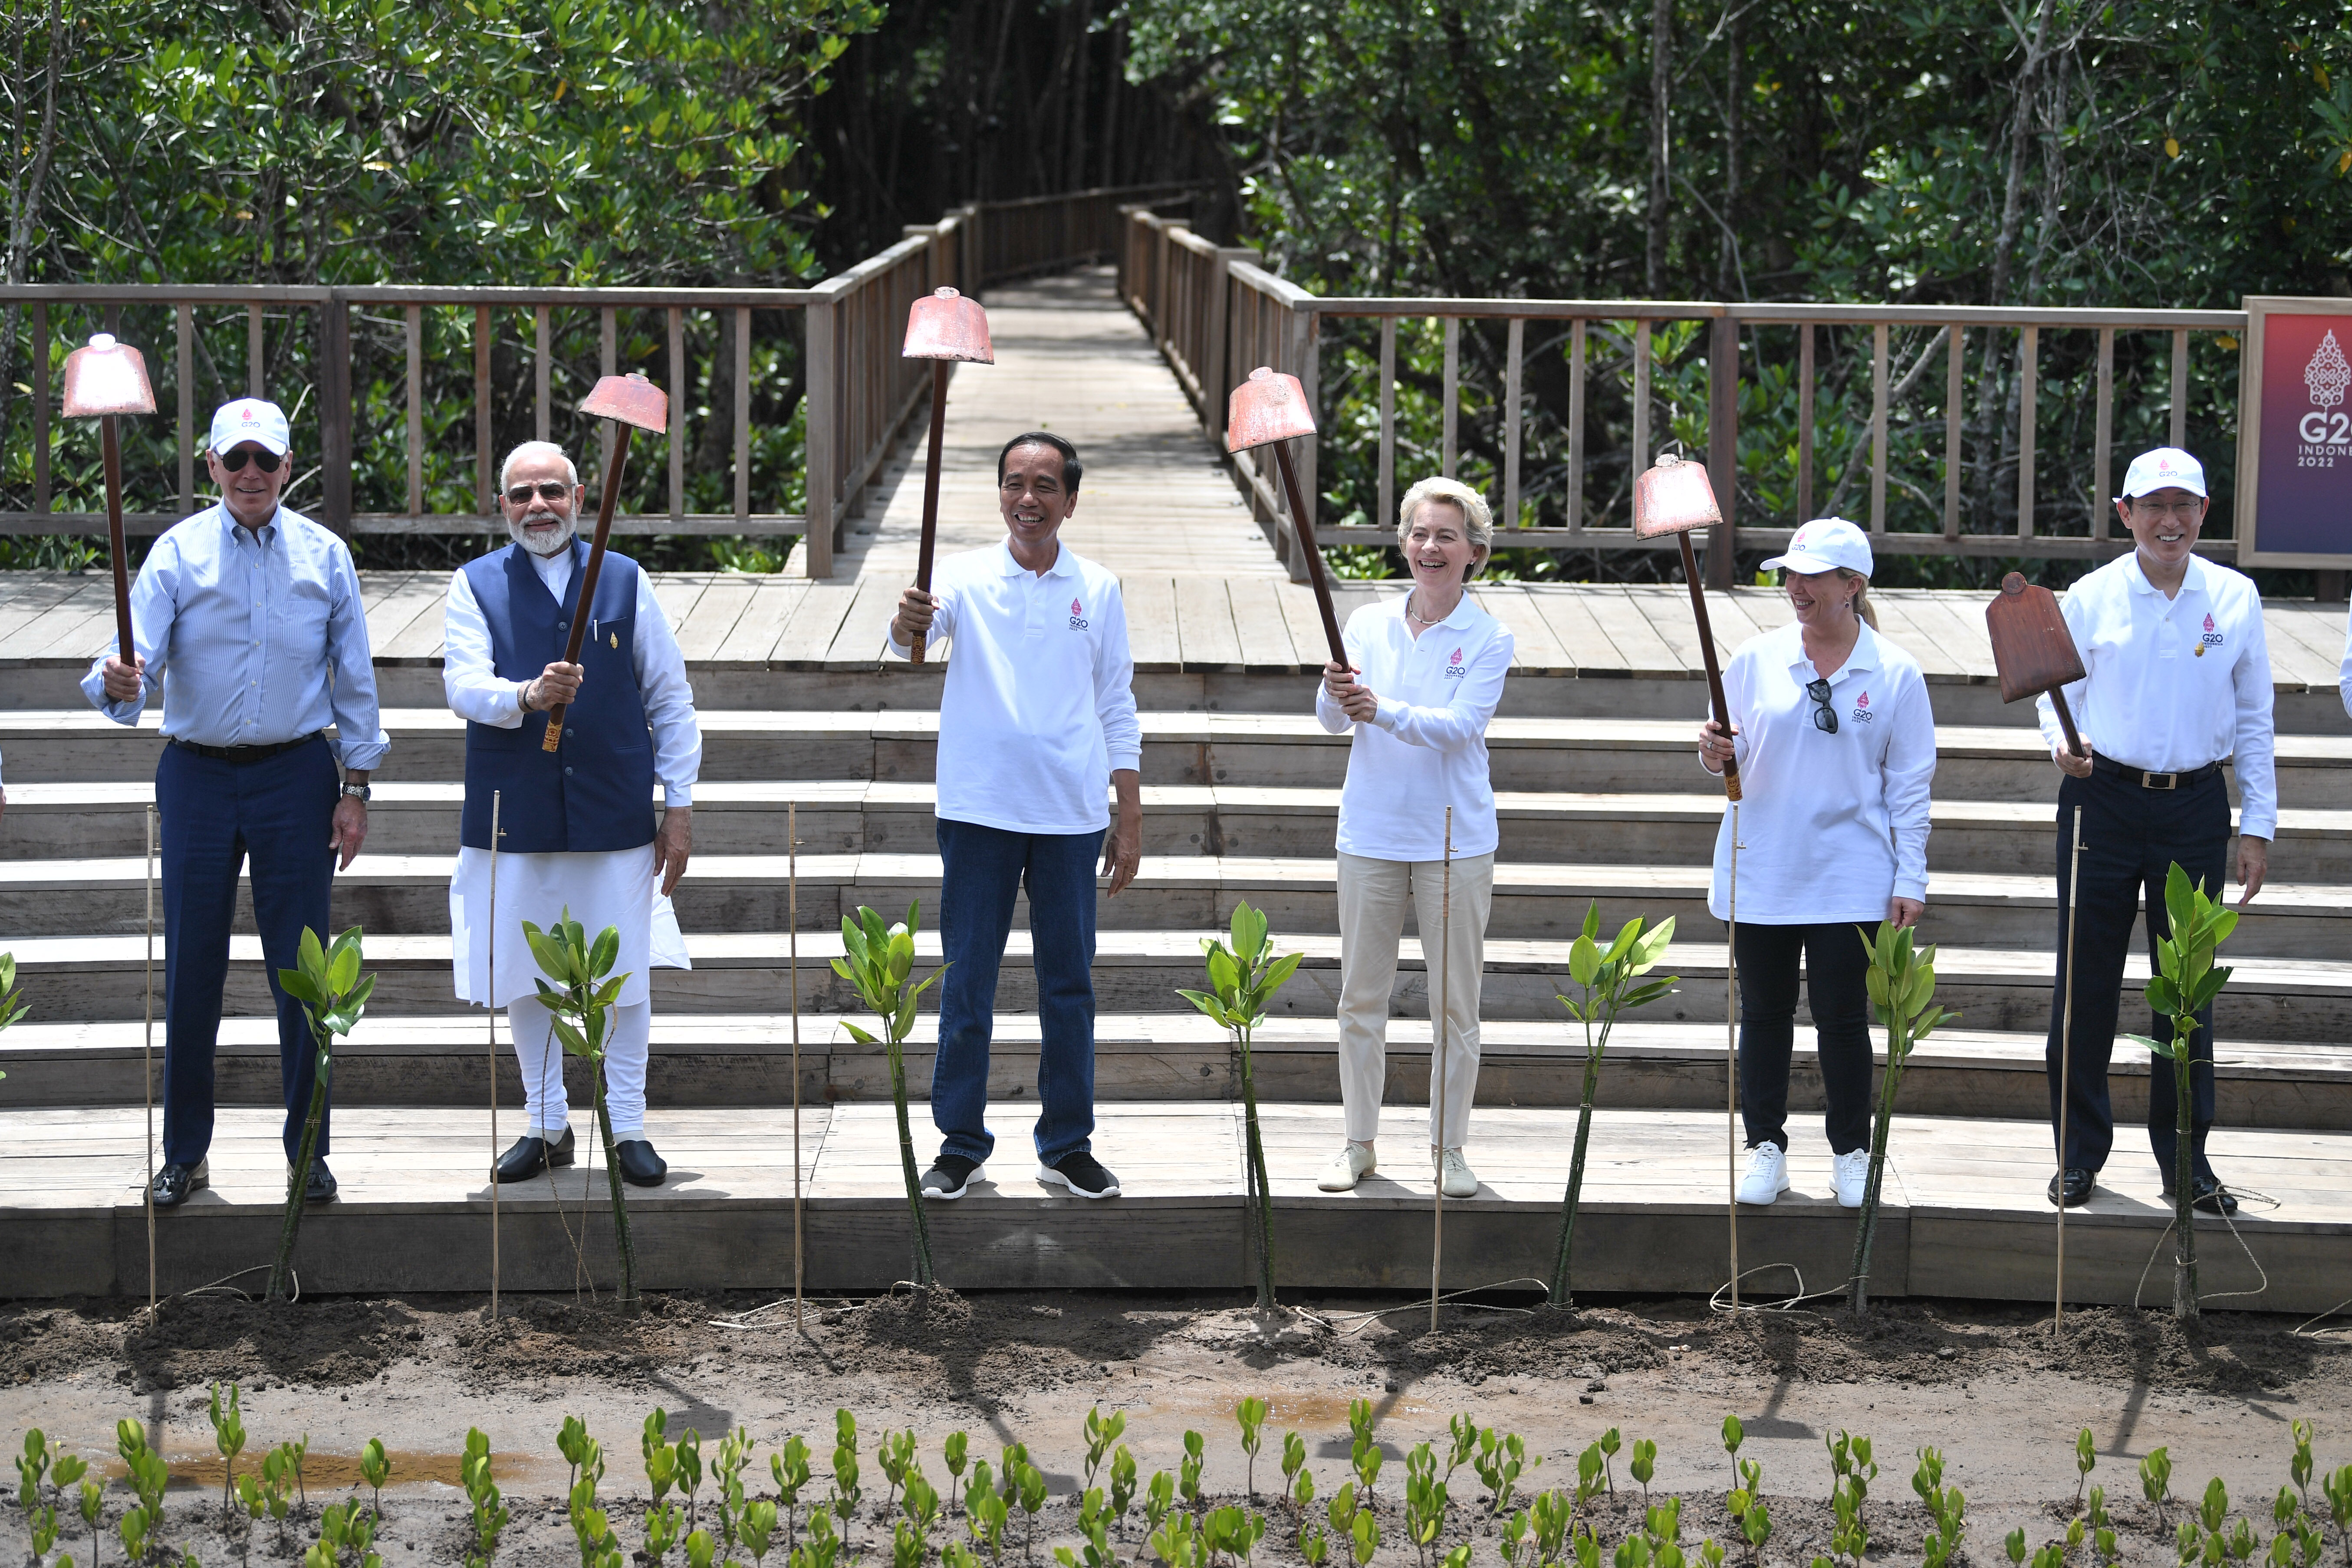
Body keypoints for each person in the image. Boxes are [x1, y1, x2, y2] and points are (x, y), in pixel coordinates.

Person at [83, 397, 386, 1207]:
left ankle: (308, 1151)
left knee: (305, 972)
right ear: (212, 465)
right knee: (192, 968)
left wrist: (356, 787)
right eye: (236, 458)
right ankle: (186, 1151)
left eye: (266, 459)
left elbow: (355, 680)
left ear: (288, 467)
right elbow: (131, 663)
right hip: (198, 776)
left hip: (297, 775)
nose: (251, 473)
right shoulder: (176, 553)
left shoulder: (325, 555)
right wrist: (119, 680)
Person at [889, 431, 1141, 1202]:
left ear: (1071, 499)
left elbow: (1117, 701)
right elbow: (910, 644)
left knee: (1069, 986)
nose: (1027, 499)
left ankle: (1066, 1143)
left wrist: (1129, 813)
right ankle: (960, 1144)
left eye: (1044, 486)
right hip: (980, 808)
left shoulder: (1098, 587)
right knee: (968, 982)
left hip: (1070, 813)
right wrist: (907, 619)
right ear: (999, 493)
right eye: (1014, 484)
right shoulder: (961, 576)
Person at [445, 440, 701, 1187]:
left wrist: (678, 806)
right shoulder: (475, 584)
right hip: (513, 811)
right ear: (502, 505)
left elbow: (670, 696)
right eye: (522, 493)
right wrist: (526, 695)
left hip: (612, 807)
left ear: (580, 498)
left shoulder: (623, 579)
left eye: (552, 491)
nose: (538, 506)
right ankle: (546, 1122)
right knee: (523, 970)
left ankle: (628, 1125)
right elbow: (463, 686)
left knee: (623, 972)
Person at [2040, 447, 2272, 1215]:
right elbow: (2053, 693)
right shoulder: (2091, 595)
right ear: (2125, 513)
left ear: (2205, 512)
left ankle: (2186, 1160)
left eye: (2183, 506)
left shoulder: (2235, 596)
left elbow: (2256, 717)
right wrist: (2062, 744)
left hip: (2196, 805)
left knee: (2188, 992)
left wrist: (2258, 823)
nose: (2169, 522)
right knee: (2086, 985)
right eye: (2152, 507)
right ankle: (2078, 1154)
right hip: (2100, 798)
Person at [1698, 517, 1934, 1208]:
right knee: (1765, 1014)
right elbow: (1727, 755)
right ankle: (1765, 1147)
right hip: (1763, 865)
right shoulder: (1754, 659)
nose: (1795, 587)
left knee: (1843, 1018)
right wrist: (1713, 751)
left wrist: (1911, 875)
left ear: (1853, 585)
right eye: (1790, 574)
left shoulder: (1896, 672)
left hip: (1851, 873)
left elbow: (1910, 785)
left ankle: (1852, 1152)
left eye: (1812, 576)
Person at [1313, 477, 1511, 1199]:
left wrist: (1381, 708)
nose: (1431, 547)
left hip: (1455, 839)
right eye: (1420, 534)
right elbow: (1330, 719)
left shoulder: (1489, 637)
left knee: (1455, 1006)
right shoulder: (1366, 622)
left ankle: (1449, 1148)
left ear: (1474, 553)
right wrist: (1335, 690)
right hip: (1370, 831)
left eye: (1447, 537)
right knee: (1360, 998)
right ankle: (1358, 1143)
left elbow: (1459, 727)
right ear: (1404, 544)